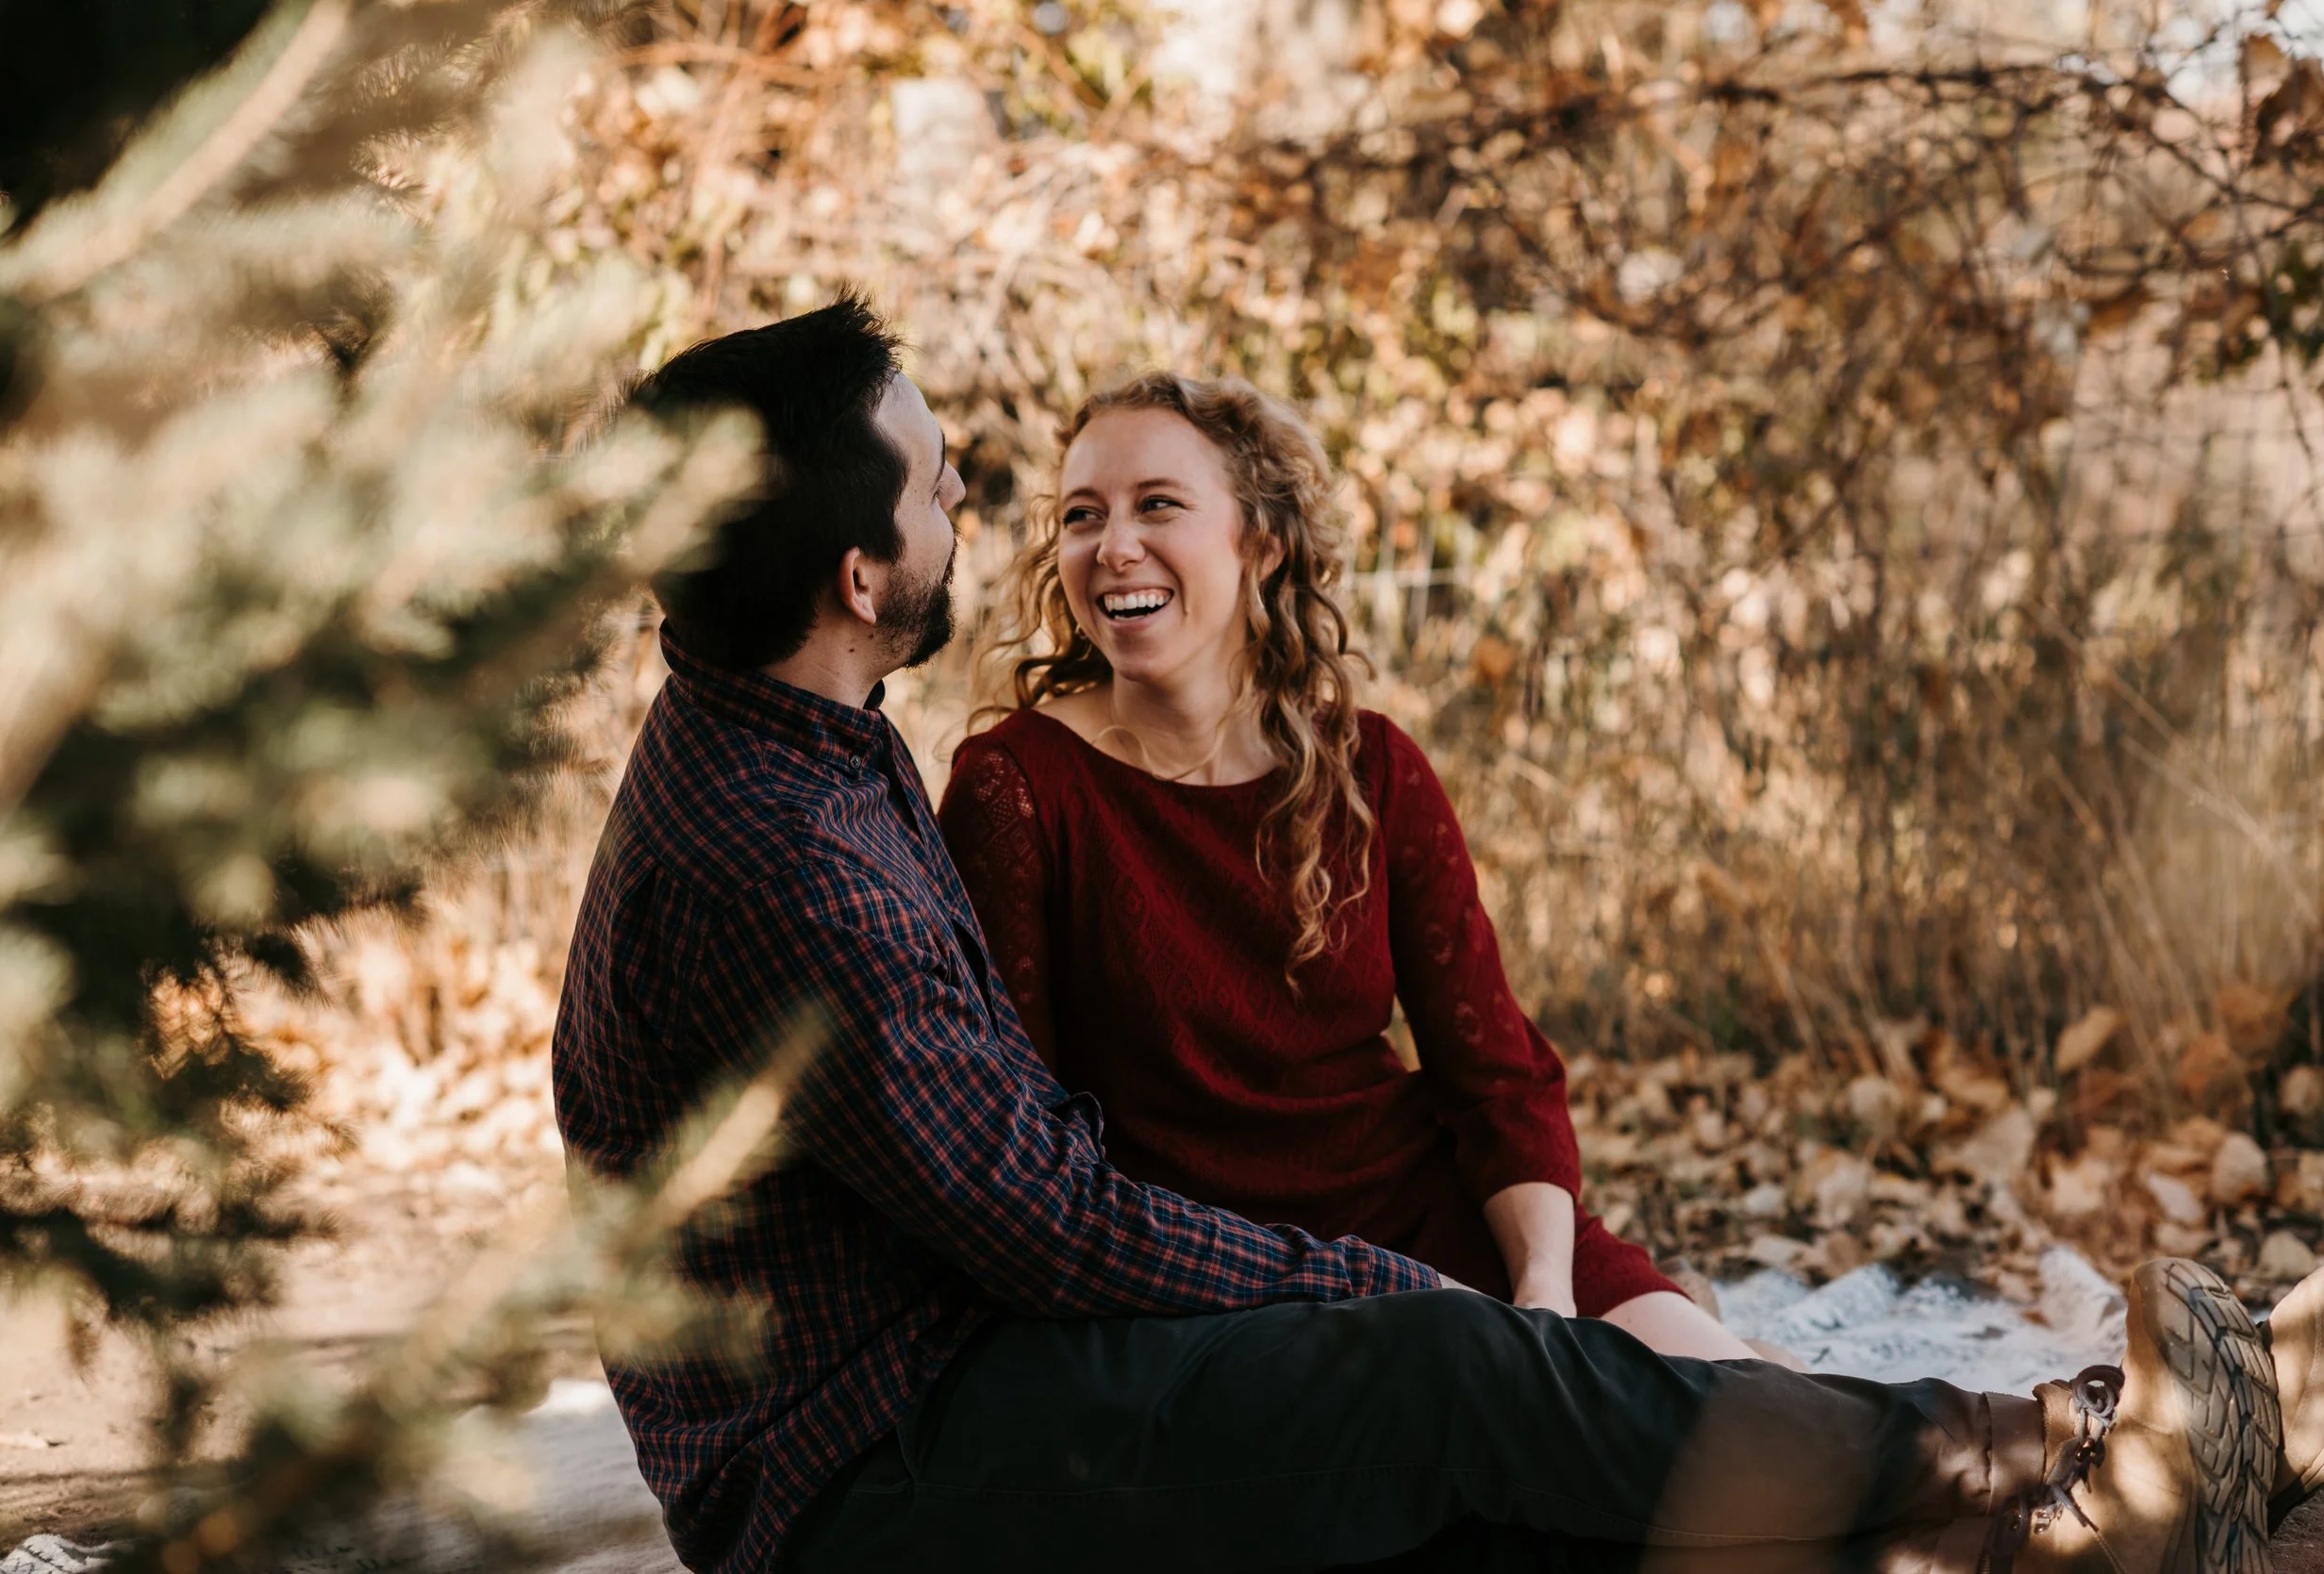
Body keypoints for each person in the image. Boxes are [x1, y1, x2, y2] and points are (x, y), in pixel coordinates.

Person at [551, 296, 2309, 1574]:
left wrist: (1469, 1276)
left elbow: (1478, 1068)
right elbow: (1049, 1209)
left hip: (970, 1369)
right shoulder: (795, 847)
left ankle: (2062, 1509)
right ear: (858, 579)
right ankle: (2075, 1446)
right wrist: (1365, 1287)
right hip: (872, 1464)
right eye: (943, 489)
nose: (974, 510)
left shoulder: (807, 734)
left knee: (1538, 1431)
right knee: (1460, 1391)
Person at [937, 371, 1746, 1361]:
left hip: (1430, 1219)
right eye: (1081, 515)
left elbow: (1497, 1083)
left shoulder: (1372, 767)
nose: (1112, 546)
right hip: (1213, 1292)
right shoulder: (1015, 789)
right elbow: (1021, 1147)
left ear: (1261, 542)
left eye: (1158, 504)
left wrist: (1543, 1291)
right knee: (1630, 1434)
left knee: (1763, 1399)